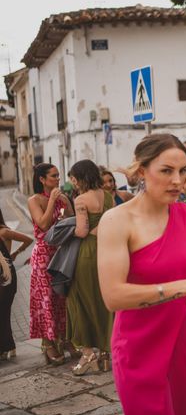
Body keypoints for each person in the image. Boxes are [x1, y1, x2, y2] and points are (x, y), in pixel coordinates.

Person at [97, 133, 186, 415]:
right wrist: (185, 286)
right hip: (139, 347)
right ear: (142, 171)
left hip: (185, 346)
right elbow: (113, 296)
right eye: (166, 170)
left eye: (183, 171)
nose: (178, 180)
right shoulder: (116, 220)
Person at [67, 160, 115, 375]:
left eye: (74, 178)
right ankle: (105, 354)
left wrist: (65, 224)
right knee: (104, 299)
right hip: (107, 249)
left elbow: (81, 231)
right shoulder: (108, 196)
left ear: (81, 177)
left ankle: (88, 352)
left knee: (81, 300)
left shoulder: (80, 200)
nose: (72, 182)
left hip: (87, 254)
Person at [27, 163, 74, 365]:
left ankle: (64, 339)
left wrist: (66, 204)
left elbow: (72, 219)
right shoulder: (34, 200)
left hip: (61, 252)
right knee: (46, 300)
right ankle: (48, 344)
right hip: (43, 255)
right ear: (42, 179)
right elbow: (43, 224)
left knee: (62, 297)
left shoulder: (61, 197)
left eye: (58, 175)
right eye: (53, 176)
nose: (57, 179)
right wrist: (52, 200)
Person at [0, 209, 33, 361]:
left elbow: (28, 239)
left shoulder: (3, 232)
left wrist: (16, 253)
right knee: (4, 312)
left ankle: (6, 347)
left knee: (3, 311)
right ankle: (9, 346)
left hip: (6, 276)